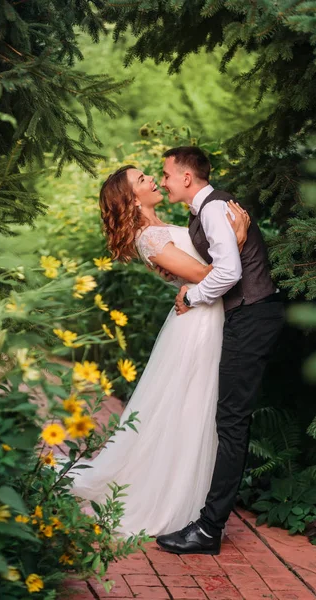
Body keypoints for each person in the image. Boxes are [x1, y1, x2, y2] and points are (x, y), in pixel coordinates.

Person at [68, 164, 250, 537]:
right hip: (196, 321)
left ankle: (191, 494)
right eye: (142, 180)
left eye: (149, 175)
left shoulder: (161, 224)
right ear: (133, 199)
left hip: (205, 313)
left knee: (194, 405)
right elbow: (205, 275)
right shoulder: (147, 237)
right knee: (188, 405)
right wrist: (240, 238)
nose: (152, 179)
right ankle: (171, 497)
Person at [155, 147, 284, 556]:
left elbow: (229, 272)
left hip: (253, 314)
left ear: (187, 178)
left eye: (167, 174)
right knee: (230, 419)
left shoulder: (212, 209)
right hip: (249, 314)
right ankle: (209, 522)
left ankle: (210, 529)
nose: (163, 181)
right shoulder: (206, 210)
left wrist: (191, 297)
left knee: (231, 421)